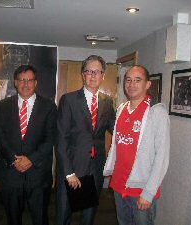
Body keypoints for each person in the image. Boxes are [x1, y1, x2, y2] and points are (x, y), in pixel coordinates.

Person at [103, 65, 170, 225]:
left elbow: (162, 156)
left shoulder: (156, 112)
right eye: (128, 80)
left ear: (147, 84)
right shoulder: (122, 109)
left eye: (137, 80)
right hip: (120, 184)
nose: (131, 84)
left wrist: (148, 193)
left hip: (141, 188)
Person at [56, 55, 116, 225]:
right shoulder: (68, 100)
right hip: (72, 167)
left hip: (94, 168)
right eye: (89, 71)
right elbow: (61, 138)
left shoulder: (106, 101)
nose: (93, 75)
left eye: (97, 72)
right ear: (83, 75)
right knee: (64, 215)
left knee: (89, 216)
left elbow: (115, 129)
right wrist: (68, 172)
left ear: (103, 76)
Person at [0, 65, 57, 225]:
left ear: (36, 83)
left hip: (38, 174)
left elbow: (51, 138)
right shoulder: (3, 106)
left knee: (40, 218)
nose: (26, 84)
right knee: (13, 218)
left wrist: (31, 159)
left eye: (30, 80)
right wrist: (13, 159)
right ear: (15, 82)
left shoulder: (49, 107)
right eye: (22, 80)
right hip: (10, 174)